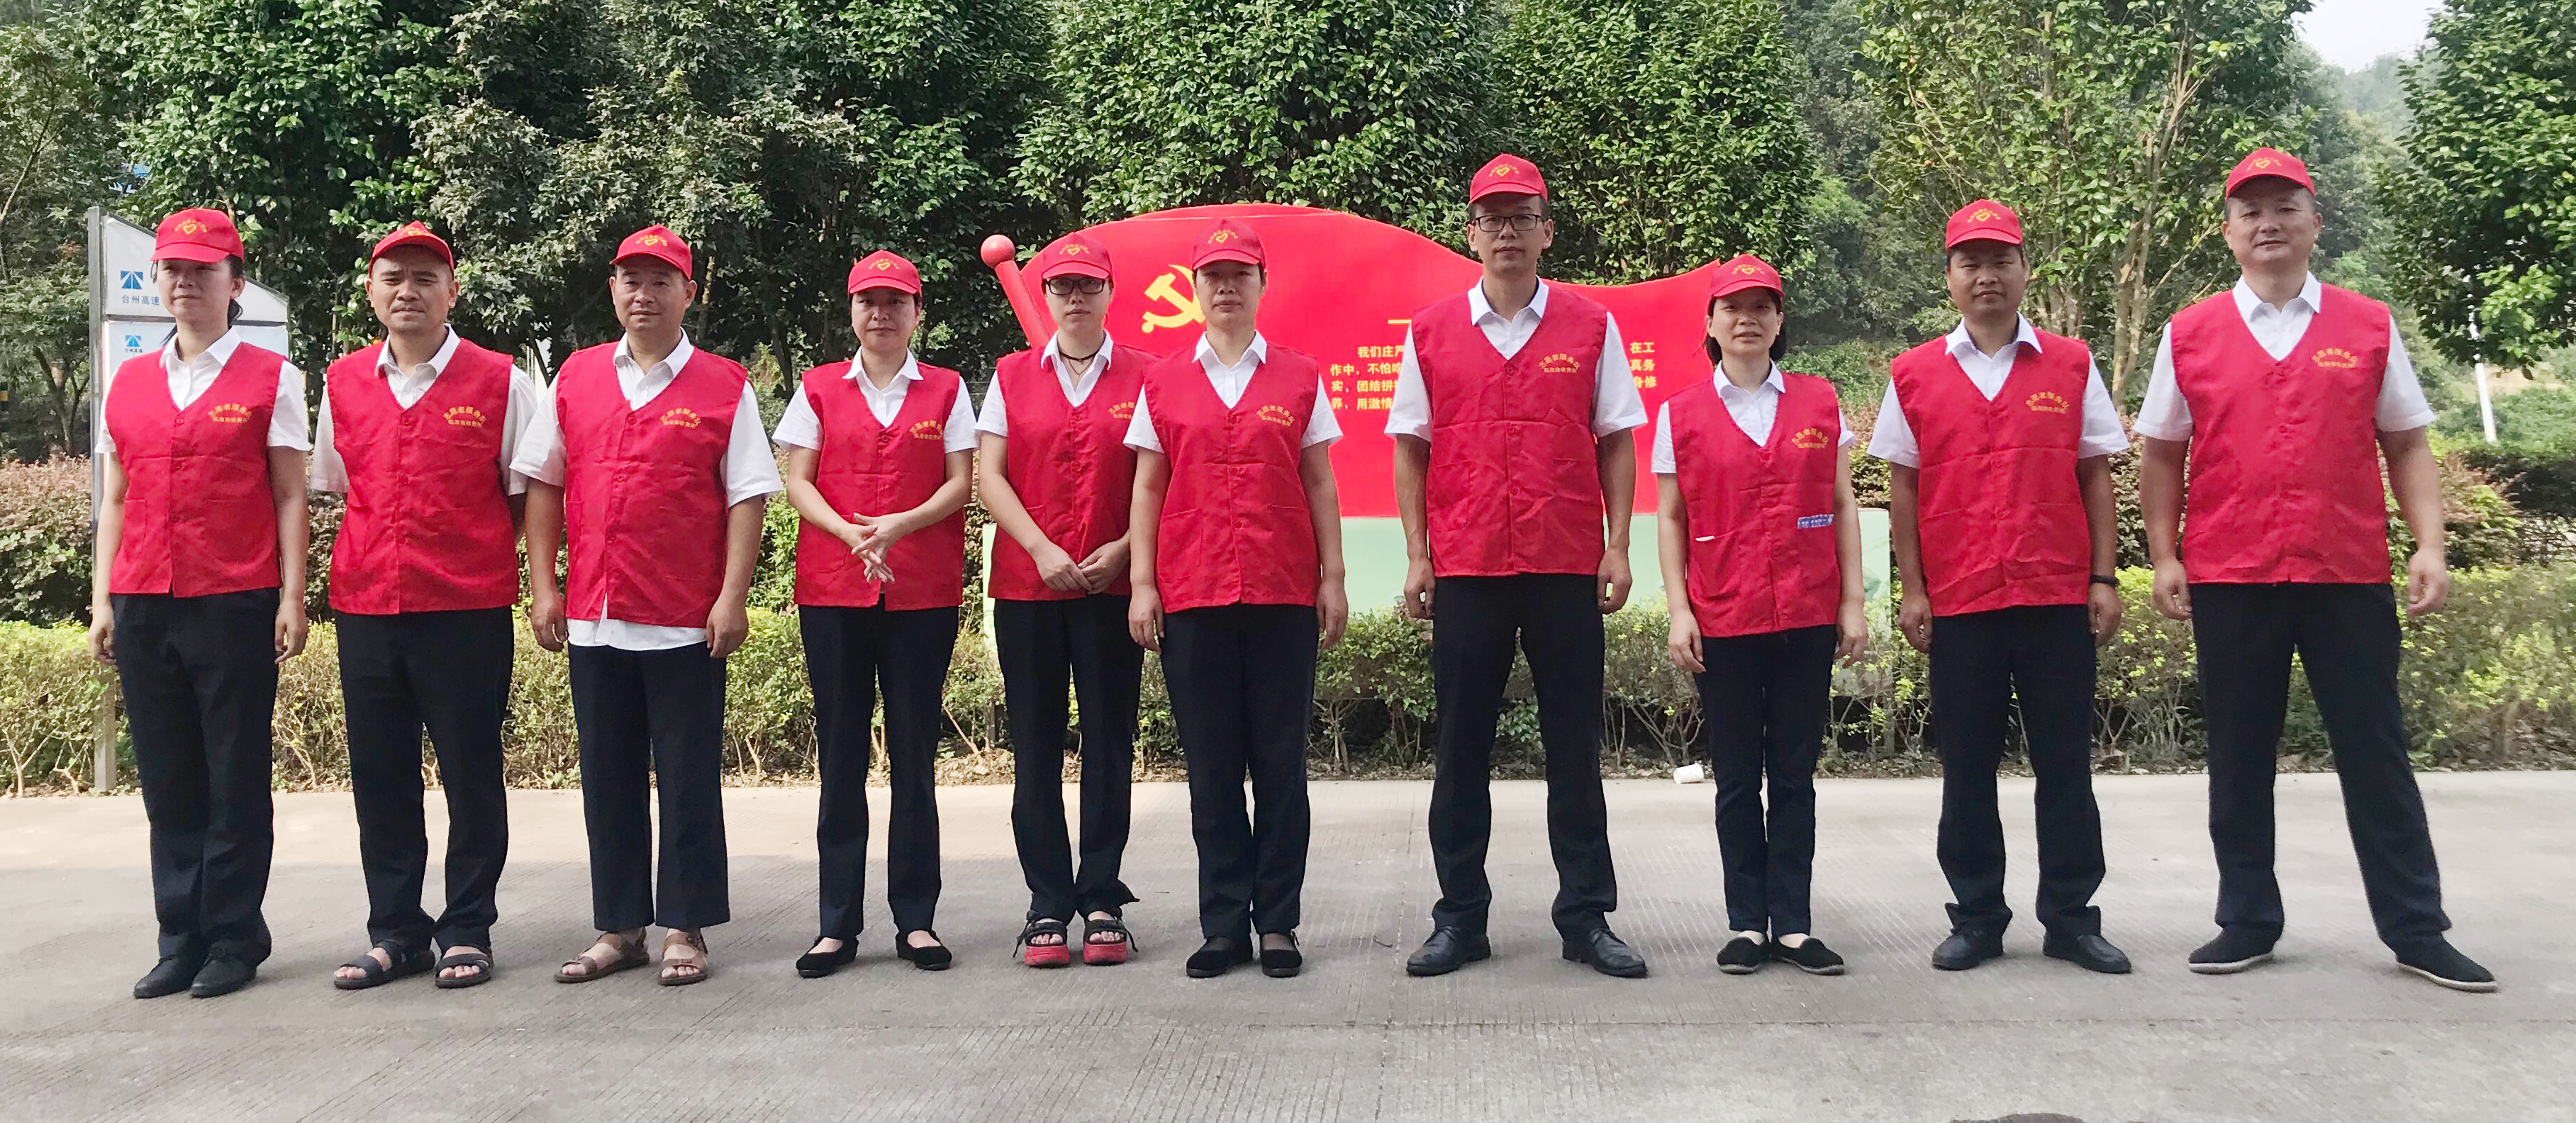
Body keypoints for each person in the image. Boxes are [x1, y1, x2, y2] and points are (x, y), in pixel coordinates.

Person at [2135, 148, 2494, 992]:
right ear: (2229, 232)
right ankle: (2246, 919)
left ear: (2315, 223)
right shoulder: (2190, 333)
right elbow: (2161, 453)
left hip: (2346, 573)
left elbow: (2407, 443)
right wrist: (2164, 555)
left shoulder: (2368, 325)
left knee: (2376, 753)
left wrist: (2430, 544)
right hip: (2233, 574)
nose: (2268, 224)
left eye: (2285, 207)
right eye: (2251, 211)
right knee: (2238, 754)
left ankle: (2416, 927)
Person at [1392, 154, 1651, 980]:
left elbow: (1617, 438)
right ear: (1471, 233)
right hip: (1467, 566)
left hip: (1564, 563)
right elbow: (1411, 449)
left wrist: (1618, 544)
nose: (1507, 231)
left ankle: (1586, 917)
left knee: (1574, 747)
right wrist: (1417, 556)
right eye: (1492, 217)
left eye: (1522, 216)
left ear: (1547, 231)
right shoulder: (1431, 332)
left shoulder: (1591, 326)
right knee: (1460, 751)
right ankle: (1460, 919)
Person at [1870, 199, 2134, 975]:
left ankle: (2072, 919)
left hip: (2055, 597)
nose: (1986, 276)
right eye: (1970, 263)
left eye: (2000, 261)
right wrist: (1913, 590)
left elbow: (2094, 475)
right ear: (1950, 276)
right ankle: (1977, 917)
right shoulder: (1914, 374)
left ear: (2024, 270)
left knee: (2065, 767)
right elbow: (1903, 487)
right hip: (1963, 602)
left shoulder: (2070, 363)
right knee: (1967, 769)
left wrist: (2103, 576)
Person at [515, 225, 780, 987]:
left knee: (688, 777)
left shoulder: (723, 384)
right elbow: (545, 483)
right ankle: (620, 926)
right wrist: (544, 586)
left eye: (661, 281)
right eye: (631, 280)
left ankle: (685, 926)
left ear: (687, 293)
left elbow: (747, 497)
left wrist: (732, 598)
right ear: (613, 290)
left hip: (683, 618)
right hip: (595, 615)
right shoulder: (577, 376)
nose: (644, 294)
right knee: (608, 777)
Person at [89, 207, 311, 1000]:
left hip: (234, 599)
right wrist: (103, 600)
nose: (185, 282)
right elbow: (117, 498)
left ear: (235, 283)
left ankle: (234, 936)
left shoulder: (272, 378)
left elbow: (289, 494)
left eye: (203, 270)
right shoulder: (128, 381)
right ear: (158, 281)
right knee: (168, 775)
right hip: (144, 598)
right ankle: (179, 936)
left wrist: (291, 596)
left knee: (233, 772)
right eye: (173, 269)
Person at [316, 222, 539, 990]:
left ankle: (468, 927)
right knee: (380, 776)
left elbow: (526, 494)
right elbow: (342, 487)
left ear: (452, 292)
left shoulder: (502, 381)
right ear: (372, 292)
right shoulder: (342, 382)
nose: (407, 291)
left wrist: (473, 553)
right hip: (367, 605)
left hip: (465, 610)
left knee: (471, 772)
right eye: (393, 278)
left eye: (424, 278)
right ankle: (396, 932)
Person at [1125, 218, 1348, 980]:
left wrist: (1332, 576)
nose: (1226, 288)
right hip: (1193, 594)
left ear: (1261, 285)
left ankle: (1278, 923)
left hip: (1282, 591)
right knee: (1213, 768)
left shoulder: (1299, 376)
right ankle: (1223, 925)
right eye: (1213, 276)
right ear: (1195, 289)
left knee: (1281, 766)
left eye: (1239, 275)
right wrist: (1143, 583)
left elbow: (1319, 480)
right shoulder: (1162, 381)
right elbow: (1148, 487)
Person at [1653, 255, 1864, 976]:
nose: (1747, 319)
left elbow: (1840, 503)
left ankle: (1795, 926)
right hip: (1724, 617)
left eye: (1762, 307)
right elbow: (1671, 517)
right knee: (1739, 778)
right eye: (1732, 308)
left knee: (1796, 775)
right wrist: (1679, 609)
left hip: (1806, 613)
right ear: (1711, 323)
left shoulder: (1818, 401)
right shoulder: (1680, 414)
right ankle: (1747, 923)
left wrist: (1852, 602)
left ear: (1779, 321)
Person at [776, 250, 977, 976]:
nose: (882, 314)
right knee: (840, 755)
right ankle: (836, 925)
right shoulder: (818, 388)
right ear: (852, 311)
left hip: (922, 592)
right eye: (869, 301)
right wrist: (848, 532)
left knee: (914, 755)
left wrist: (899, 525)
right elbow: (797, 479)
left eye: (896, 302)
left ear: (918, 313)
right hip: (833, 589)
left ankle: (916, 920)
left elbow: (961, 482)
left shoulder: (948, 389)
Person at [977, 233, 1152, 968]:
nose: (1075, 297)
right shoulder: (1012, 375)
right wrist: (1041, 549)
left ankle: (1102, 895)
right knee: (1036, 744)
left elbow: (1161, 476)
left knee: (1110, 742)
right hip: (1030, 587)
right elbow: (990, 476)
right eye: (1061, 286)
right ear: (1045, 296)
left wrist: (1128, 550)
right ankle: (1047, 902)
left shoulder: (1147, 375)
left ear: (1109, 293)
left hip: (1111, 587)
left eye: (1088, 285)